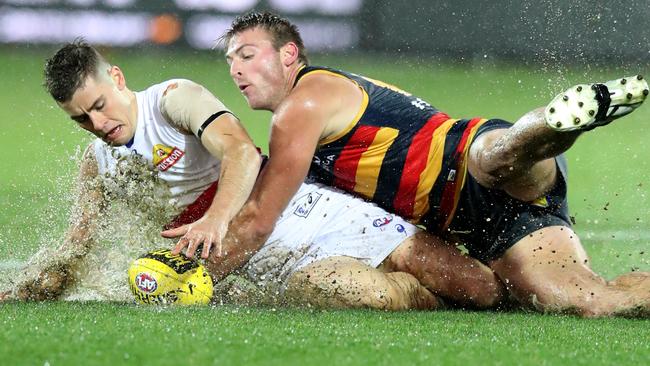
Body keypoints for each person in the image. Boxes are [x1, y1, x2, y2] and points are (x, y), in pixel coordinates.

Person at [0, 40, 506, 311]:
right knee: (347, 291)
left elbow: (241, 152)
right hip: (254, 262)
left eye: (98, 107)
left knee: (480, 289)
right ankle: (426, 301)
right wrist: (25, 291)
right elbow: (78, 244)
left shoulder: (173, 98)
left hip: (302, 212)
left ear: (117, 79)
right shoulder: (97, 163)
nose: (98, 124)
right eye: (80, 120)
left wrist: (216, 221)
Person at [202, 11, 650, 317]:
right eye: (229, 62)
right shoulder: (311, 122)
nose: (235, 70)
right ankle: (563, 124)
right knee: (589, 300)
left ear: (288, 55)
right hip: (488, 222)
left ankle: (565, 119)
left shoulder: (303, 103)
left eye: (247, 55)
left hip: (464, 157)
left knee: (497, 158)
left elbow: (261, 218)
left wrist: (199, 281)